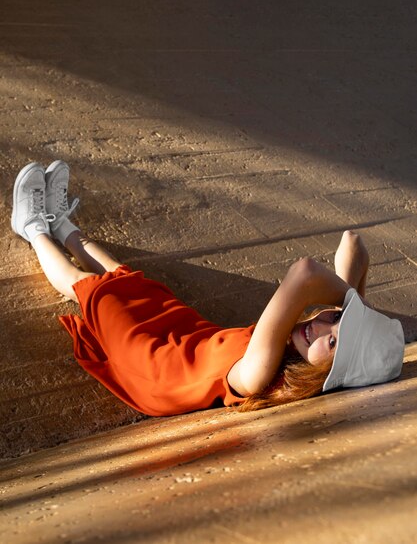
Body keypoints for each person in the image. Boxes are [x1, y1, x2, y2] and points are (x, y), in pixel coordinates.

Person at [11, 161, 405, 416]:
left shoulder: (260, 374)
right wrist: (354, 309)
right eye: (335, 319)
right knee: (129, 278)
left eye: (333, 343)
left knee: (92, 289)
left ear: (328, 374)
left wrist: (350, 303)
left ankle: (33, 228)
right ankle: (64, 225)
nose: (320, 326)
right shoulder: (298, 349)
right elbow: (354, 245)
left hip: (153, 365)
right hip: (186, 337)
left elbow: (304, 273)